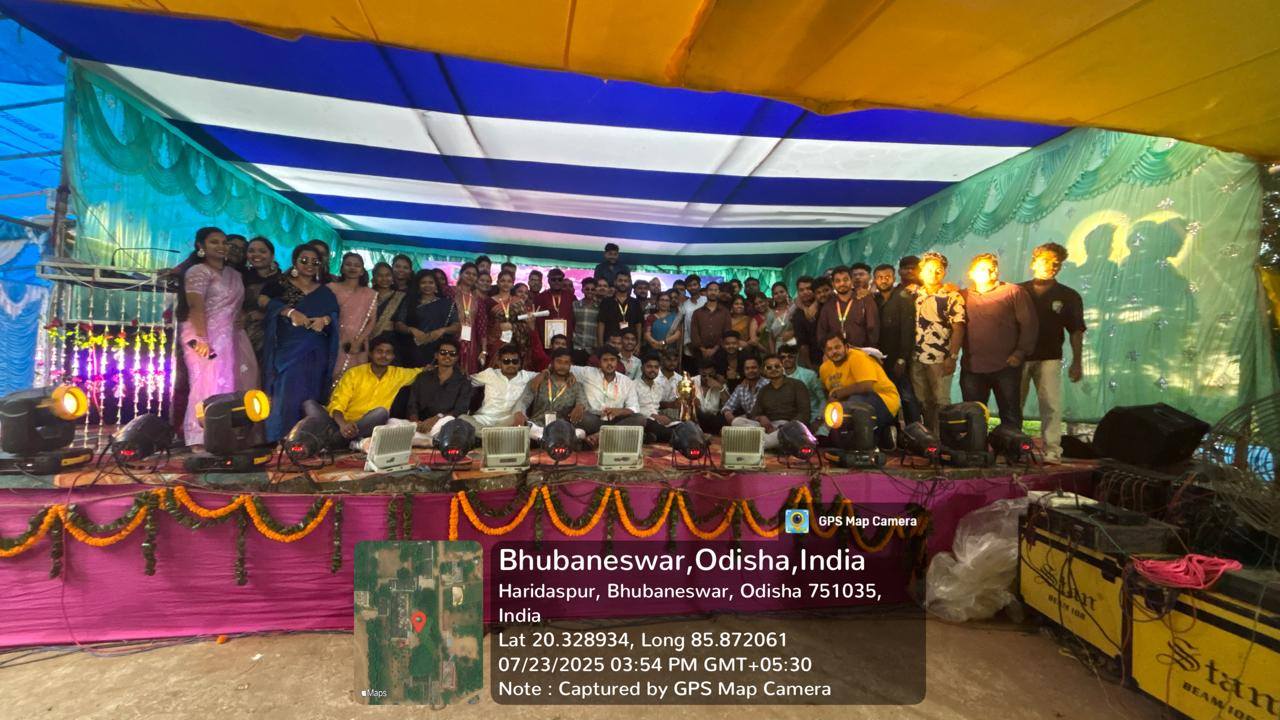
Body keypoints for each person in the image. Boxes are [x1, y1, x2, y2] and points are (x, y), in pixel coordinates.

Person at [177, 227, 259, 446]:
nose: (221, 246)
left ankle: (224, 436)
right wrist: (202, 339)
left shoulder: (235, 275)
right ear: (200, 246)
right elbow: (195, 306)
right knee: (206, 385)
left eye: (224, 242)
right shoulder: (198, 271)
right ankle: (198, 437)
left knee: (233, 385)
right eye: (214, 242)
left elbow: (236, 305)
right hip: (202, 334)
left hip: (232, 335)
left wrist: (241, 317)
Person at [260, 244, 340, 442]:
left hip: (316, 351)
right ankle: (281, 439)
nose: (309, 265)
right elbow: (263, 302)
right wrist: (289, 312)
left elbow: (335, 313)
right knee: (285, 393)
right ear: (294, 261)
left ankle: (308, 440)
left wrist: (325, 320)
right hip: (287, 350)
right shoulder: (279, 284)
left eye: (315, 261)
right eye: (304, 260)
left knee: (311, 393)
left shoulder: (325, 291)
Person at [1019, 243, 1085, 462]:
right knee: (1013, 404)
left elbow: (1076, 330)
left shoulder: (1068, 296)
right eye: (1046, 260)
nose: (1052, 266)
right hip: (1018, 356)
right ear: (1034, 262)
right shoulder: (1017, 291)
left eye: (1057, 263)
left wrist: (1077, 361)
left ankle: (1052, 450)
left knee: (1051, 404)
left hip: (1050, 356)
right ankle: (1014, 446)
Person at [960, 253, 1038, 430]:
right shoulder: (962, 295)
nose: (988, 272)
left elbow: (1029, 324)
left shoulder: (1013, 292)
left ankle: (1010, 445)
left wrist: (1020, 353)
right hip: (972, 367)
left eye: (991, 268)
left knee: (1010, 413)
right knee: (973, 415)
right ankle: (976, 445)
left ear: (996, 271)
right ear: (971, 273)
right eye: (981, 269)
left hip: (1006, 366)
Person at [306, 334, 422, 449]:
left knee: (381, 413)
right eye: (379, 351)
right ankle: (343, 441)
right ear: (370, 354)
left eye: (388, 352)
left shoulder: (398, 374)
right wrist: (343, 425)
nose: (384, 355)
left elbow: (423, 371)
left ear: (393, 356)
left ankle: (334, 440)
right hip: (341, 423)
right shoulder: (354, 374)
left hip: (367, 425)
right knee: (309, 404)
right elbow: (337, 404)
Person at [911, 252, 966, 435]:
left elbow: (958, 327)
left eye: (938, 270)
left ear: (944, 272)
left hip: (940, 358)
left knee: (941, 400)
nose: (933, 274)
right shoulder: (913, 294)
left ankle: (945, 439)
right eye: (928, 270)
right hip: (916, 357)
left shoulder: (952, 296)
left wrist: (952, 356)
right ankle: (929, 438)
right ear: (921, 272)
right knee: (923, 401)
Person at [874, 257, 922, 425]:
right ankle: (893, 433)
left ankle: (915, 430)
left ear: (894, 278)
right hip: (880, 359)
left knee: (907, 396)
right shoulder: (875, 300)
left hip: (899, 358)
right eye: (880, 277)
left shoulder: (903, 297)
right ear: (875, 280)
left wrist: (902, 358)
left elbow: (908, 330)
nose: (883, 280)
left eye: (887, 277)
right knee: (887, 398)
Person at [819, 335, 900, 433]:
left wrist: (838, 394)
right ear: (824, 352)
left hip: (883, 399)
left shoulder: (858, 357)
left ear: (846, 346)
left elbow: (866, 386)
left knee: (853, 405)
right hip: (847, 402)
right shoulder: (824, 369)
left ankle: (867, 439)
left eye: (837, 347)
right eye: (829, 349)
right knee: (827, 411)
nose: (834, 352)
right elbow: (826, 391)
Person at [733, 354, 813, 450]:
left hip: (790, 428)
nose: (773, 369)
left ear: (783, 367)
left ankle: (758, 443)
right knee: (737, 421)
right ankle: (766, 442)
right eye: (769, 367)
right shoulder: (764, 390)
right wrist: (761, 418)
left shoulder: (797, 385)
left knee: (768, 440)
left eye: (777, 366)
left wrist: (783, 428)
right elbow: (754, 413)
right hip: (768, 427)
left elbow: (804, 414)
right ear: (764, 371)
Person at [568, 346, 647, 440]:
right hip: (594, 419)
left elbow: (634, 408)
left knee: (640, 418)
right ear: (599, 362)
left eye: (612, 360)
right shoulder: (587, 373)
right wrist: (569, 374)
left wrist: (619, 411)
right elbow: (564, 367)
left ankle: (599, 436)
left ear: (617, 362)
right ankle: (609, 436)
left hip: (616, 421)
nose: (609, 363)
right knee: (581, 417)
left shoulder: (627, 382)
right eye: (605, 360)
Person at [403, 339, 473, 443]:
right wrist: (416, 422)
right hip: (419, 424)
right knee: (392, 422)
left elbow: (460, 410)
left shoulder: (463, 382)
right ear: (436, 355)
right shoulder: (423, 377)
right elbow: (412, 404)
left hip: (443, 423)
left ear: (456, 358)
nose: (447, 356)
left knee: (451, 423)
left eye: (452, 354)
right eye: (443, 352)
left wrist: (437, 418)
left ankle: (424, 440)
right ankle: (426, 440)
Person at [519, 348, 588, 443]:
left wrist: (580, 406)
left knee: (581, 433)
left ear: (570, 365)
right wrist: (521, 414)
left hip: (562, 428)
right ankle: (545, 437)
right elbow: (524, 401)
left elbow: (582, 401)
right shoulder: (539, 381)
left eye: (566, 363)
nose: (562, 366)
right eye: (559, 362)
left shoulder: (576, 386)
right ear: (552, 363)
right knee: (528, 427)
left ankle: (545, 439)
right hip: (538, 426)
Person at [395, 270, 459, 367]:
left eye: (431, 282)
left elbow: (457, 326)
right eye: (423, 283)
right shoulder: (409, 302)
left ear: (436, 285)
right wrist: (411, 330)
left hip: (438, 349)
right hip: (412, 349)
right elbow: (398, 324)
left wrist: (442, 330)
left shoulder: (446, 304)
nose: (427, 285)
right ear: (418, 285)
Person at [330, 252, 377, 382]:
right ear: (342, 268)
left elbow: (372, 320)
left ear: (362, 271)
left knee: (355, 379)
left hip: (358, 342)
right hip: (334, 339)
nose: (352, 268)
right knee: (333, 375)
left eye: (357, 265)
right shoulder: (331, 288)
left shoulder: (370, 293)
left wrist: (358, 341)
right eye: (348, 264)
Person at [466, 343, 537, 429]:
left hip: (509, 420)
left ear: (519, 363)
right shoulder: (490, 373)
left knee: (521, 422)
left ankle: (486, 433)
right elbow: (467, 381)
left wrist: (544, 373)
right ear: (499, 363)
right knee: (462, 420)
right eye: (506, 361)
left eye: (515, 361)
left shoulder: (526, 376)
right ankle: (487, 433)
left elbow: (546, 376)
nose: (511, 365)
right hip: (485, 418)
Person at [817, 265, 878, 351]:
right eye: (838, 281)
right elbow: (822, 334)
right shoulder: (828, 306)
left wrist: (871, 353)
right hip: (837, 354)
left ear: (852, 280)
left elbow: (873, 330)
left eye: (845, 280)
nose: (842, 283)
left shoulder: (865, 300)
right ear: (833, 284)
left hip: (862, 353)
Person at [240, 236, 280, 361]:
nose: (256, 255)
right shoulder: (240, 276)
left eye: (262, 251)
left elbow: (291, 308)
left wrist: (263, 316)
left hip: (272, 336)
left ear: (272, 255)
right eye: (251, 251)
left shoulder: (282, 281)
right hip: (241, 332)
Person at [486, 270, 533, 367]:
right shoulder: (489, 301)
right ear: (498, 282)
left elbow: (524, 325)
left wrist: (512, 326)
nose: (506, 284)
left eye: (509, 281)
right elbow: (486, 324)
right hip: (494, 342)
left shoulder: (518, 302)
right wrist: (498, 327)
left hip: (514, 343)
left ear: (512, 284)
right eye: (503, 281)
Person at [452, 262, 488, 373]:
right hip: (451, 337)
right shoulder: (450, 292)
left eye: (474, 274)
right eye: (467, 273)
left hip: (471, 341)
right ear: (461, 274)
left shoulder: (478, 300)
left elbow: (482, 327)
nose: (471, 276)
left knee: (468, 371)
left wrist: (484, 351)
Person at [634, 354, 678, 442]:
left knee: (682, 425)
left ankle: (653, 437)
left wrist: (663, 417)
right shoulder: (633, 385)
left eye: (656, 367)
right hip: (644, 421)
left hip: (658, 421)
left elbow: (657, 407)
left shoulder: (659, 387)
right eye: (649, 367)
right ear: (642, 368)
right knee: (668, 432)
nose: (653, 370)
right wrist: (654, 416)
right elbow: (633, 409)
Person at [689, 280, 731, 373]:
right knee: (700, 378)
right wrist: (703, 349)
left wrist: (715, 349)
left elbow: (727, 332)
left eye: (716, 290)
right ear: (706, 292)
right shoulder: (697, 313)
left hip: (720, 351)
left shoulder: (725, 312)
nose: (713, 292)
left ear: (719, 292)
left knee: (719, 377)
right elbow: (694, 333)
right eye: (710, 290)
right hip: (700, 352)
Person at [597, 271, 645, 348]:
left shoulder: (635, 302)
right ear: (615, 282)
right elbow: (601, 323)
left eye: (626, 281)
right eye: (620, 280)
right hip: (611, 343)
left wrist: (638, 344)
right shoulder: (606, 302)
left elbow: (638, 324)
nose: (623, 283)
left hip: (630, 344)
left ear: (629, 283)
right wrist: (601, 344)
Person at [779, 344, 823, 424]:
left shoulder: (809, 375)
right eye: (783, 357)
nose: (786, 359)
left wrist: (819, 419)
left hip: (813, 416)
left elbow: (822, 399)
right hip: (788, 419)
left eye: (790, 356)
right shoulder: (777, 378)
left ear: (796, 357)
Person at [534, 268, 575, 351]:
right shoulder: (540, 298)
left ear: (562, 281)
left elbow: (575, 319)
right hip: (546, 339)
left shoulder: (571, 297)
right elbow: (536, 321)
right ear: (548, 281)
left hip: (566, 339)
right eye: (553, 279)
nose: (557, 282)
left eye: (559, 279)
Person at [720, 356, 766, 430]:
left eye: (753, 367)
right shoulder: (741, 388)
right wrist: (728, 413)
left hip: (766, 421)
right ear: (744, 371)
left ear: (760, 369)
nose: (750, 371)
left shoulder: (767, 384)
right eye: (747, 368)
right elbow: (728, 406)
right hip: (749, 423)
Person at [367, 261, 406, 341]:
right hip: (365, 336)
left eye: (388, 275)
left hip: (390, 338)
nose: (384, 279)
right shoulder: (367, 295)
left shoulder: (400, 297)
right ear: (374, 278)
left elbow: (401, 321)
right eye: (380, 275)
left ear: (392, 277)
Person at [790, 276, 820, 368]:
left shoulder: (826, 306)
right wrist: (809, 366)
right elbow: (802, 344)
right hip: (812, 361)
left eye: (808, 289)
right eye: (801, 290)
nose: (805, 292)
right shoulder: (797, 314)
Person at [679, 274, 707, 371]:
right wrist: (688, 343)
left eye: (695, 284)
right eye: (690, 285)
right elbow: (685, 327)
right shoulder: (685, 305)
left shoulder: (706, 301)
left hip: (708, 345)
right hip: (691, 346)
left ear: (699, 286)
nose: (692, 287)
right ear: (687, 288)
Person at [572, 277, 603, 363]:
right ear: (582, 290)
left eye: (592, 289)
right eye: (587, 289)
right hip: (577, 346)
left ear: (595, 291)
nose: (590, 291)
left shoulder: (600, 307)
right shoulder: (575, 305)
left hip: (593, 349)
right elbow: (572, 323)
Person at [760, 282, 793, 354]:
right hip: (779, 347)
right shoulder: (771, 314)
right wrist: (773, 354)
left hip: (794, 344)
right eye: (776, 293)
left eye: (781, 292)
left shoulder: (794, 309)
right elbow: (771, 337)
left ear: (787, 293)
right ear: (773, 296)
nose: (779, 295)